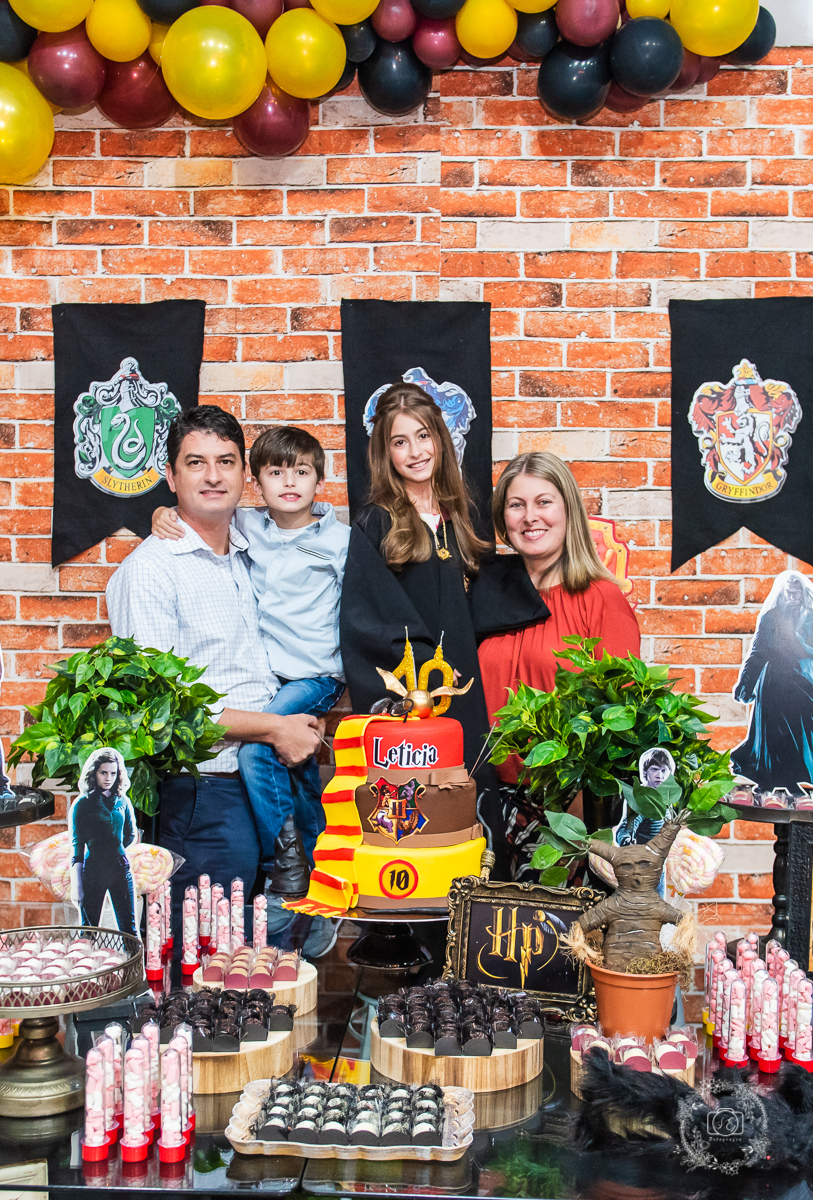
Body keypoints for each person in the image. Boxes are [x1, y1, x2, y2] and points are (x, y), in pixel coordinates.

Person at [106, 406, 325, 947]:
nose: (212, 476)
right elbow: (160, 713)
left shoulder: (253, 550)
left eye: (225, 461)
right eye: (195, 463)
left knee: (272, 950)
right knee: (207, 954)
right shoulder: (150, 571)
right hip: (205, 794)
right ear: (170, 474)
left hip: (269, 780)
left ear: (245, 473)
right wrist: (276, 728)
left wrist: (299, 717)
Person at [150, 425, 349, 895]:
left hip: (316, 674)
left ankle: (287, 859)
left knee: (258, 752)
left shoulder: (340, 540)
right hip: (277, 678)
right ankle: (313, 854)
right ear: (255, 482)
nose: (289, 482)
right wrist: (160, 512)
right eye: (276, 473)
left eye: (301, 472)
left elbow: (367, 608)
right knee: (291, 760)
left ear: (320, 480)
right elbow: (197, 511)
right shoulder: (246, 526)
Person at [339, 383, 547, 816]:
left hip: (464, 689)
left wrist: (547, 574)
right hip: (420, 697)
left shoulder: (456, 518)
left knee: (471, 798)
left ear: (439, 438)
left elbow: (473, 597)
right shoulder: (376, 522)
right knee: (426, 813)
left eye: (423, 436)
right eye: (400, 441)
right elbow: (368, 616)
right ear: (385, 452)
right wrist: (425, 674)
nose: (415, 451)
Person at [477, 451, 641, 880]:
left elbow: (618, 719)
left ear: (568, 510)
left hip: (562, 808)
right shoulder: (484, 592)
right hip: (484, 802)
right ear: (503, 517)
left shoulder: (600, 599)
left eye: (544, 502)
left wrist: (577, 826)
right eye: (516, 505)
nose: (530, 517)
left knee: (548, 924)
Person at [732, 570, 813, 794]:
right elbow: (758, 652)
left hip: (801, 683)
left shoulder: (810, 617)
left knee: (799, 734)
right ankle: (769, 781)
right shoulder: (771, 618)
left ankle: (792, 779)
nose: (793, 598)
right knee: (771, 736)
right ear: (782, 594)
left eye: (797, 593)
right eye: (789, 593)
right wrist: (745, 684)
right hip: (774, 685)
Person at [69, 748, 138, 937]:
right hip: (93, 871)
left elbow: (130, 834)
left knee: (129, 930)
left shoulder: (123, 801)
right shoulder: (83, 805)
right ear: (94, 773)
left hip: (120, 869)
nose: (108, 778)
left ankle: (132, 958)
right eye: (103, 772)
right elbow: (77, 848)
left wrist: (114, 848)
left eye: (113, 773)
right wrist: (77, 885)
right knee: (88, 930)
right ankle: (85, 957)